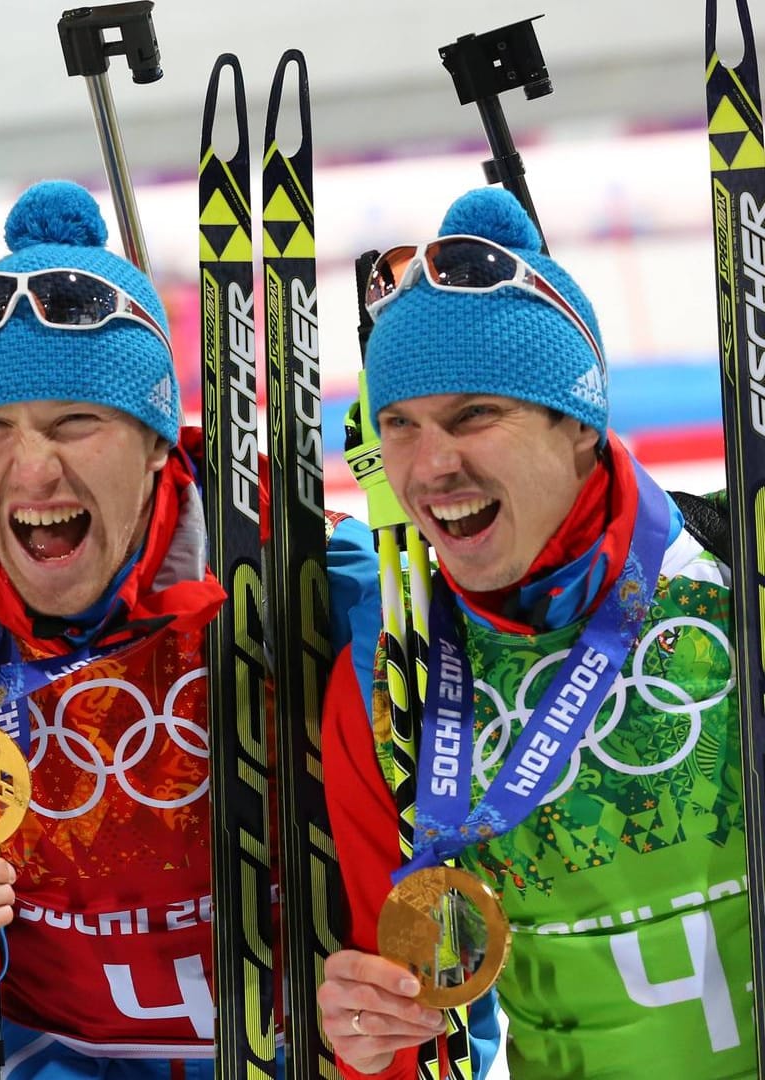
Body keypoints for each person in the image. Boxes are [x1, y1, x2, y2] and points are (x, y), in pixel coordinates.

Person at [0, 180, 374, 1077]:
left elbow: (431, 902)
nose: (33, 468)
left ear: (160, 439)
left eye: (77, 422)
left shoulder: (309, 580)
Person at [315, 187, 750, 1079]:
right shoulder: (389, 683)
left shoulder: (731, 572)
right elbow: (403, 1031)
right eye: (401, 424)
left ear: (579, 423)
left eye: (476, 413)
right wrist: (364, 1036)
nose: (432, 465)